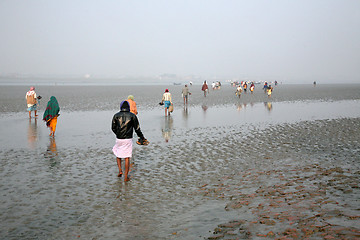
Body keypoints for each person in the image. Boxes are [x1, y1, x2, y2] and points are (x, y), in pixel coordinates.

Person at [112, 101, 148, 182]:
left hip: (119, 138)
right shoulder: (132, 116)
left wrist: (118, 133)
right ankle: (126, 176)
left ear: (121, 107)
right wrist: (142, 137)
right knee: (127, 156)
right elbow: (137, 129)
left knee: (118, 154)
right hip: (128, 139)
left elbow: (113, 127)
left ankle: (120, 170)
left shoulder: (116, 115)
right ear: (128, 107)